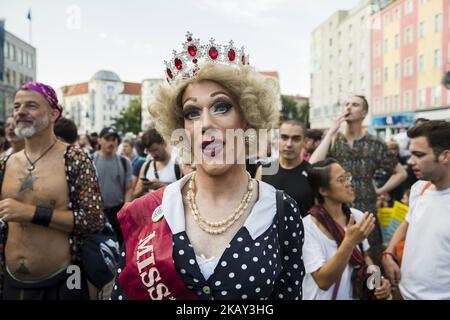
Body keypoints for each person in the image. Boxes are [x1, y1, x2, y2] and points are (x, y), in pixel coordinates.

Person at [111, 32, 305, 300]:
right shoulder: (149, 212)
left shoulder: (281, 211)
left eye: (221, 107)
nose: (205, 124)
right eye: (192, 113)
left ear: (247, 118)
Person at [0, 81, 105, 299]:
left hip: (62, 281)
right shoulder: (6, 162)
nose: (20, 112)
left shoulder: (75, 159)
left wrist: (31, 213)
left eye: (31, 105)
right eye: (16, 106)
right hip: (11, 282)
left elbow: (94, 220)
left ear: (54, 114)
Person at [310, 95, 407, 262]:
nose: (348, 108)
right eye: (346, 104)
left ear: (364, 113)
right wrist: (332, 130)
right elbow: (312, 165)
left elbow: (401, 173)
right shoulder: (334, 139)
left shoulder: (375, 143)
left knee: (371, 258)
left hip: (366, 209)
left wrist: (380, 190)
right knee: (341, 257)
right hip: (337, 210)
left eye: (354, 105)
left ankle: (375, 287)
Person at [302, 158, 391, 300]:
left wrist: (378, 280)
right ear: (323, 190)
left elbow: (365, 257)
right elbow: (323, 281)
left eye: (347, 177)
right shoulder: (308, 227)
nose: (349, 183)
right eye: (341, 180)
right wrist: (349, 242)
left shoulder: (356, 216)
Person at [382, 120, 450, 300]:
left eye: (419, 155)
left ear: (445, 156)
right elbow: (408, 223)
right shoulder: (419, 188)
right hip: (403, 292)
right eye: (411, 154)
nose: (411, 161)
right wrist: (388, 253)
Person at [256, 120, 315, 215]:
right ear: (277, 139)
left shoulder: (313, 174)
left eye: (296, 139)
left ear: (305, 142)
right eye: (284, 137)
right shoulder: (263, 170)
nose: (289, 144)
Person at [93, 127, 133, 245]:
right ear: (99, 140)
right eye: (108, 139)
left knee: (121, 247)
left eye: (114, 139)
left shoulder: (124, 162)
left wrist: (126, 209)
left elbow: (128, 188)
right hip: (97, 213)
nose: (111, 142)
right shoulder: (91, 160)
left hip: (117, 212)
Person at [133, 128, 181, 199]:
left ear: (163, 144)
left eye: (155, 150)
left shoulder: (178, 164)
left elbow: (186, 193)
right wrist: (142, 188)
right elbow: (134, 195)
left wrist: (162, 186)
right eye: (149, 151)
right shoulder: (146, 166)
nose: (153, 154)